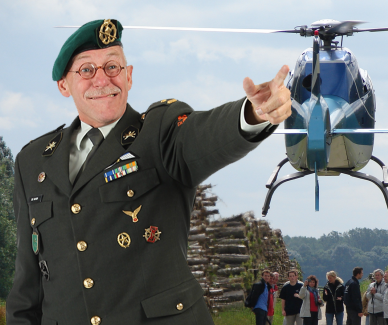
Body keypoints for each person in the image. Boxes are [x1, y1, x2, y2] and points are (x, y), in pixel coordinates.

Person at [6, 18, 292, 325]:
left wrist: (251, 114)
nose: (102, 79)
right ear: (64, 85)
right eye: (87, 70)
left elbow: (205, 136)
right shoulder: (33, 161)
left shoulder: (159, 131)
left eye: (112, 67)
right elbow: (28, 285)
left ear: (129, 76)